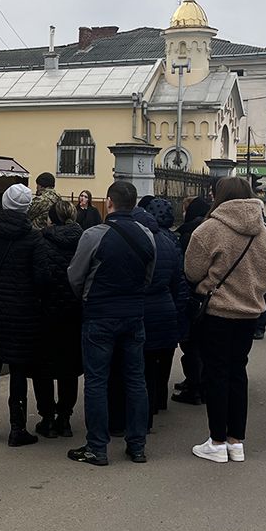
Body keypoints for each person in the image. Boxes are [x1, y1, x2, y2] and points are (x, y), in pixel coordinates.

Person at [184, 178, 266, 463]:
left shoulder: (210, 229)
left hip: (218, 312)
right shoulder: (263, 232)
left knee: (216, 374)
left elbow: (192, 271)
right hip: (249, 312)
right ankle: (237, 441)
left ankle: (217, 440)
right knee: (238, 373)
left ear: (218, 196)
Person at [66, 181, 155, 466]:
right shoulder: (146, 235)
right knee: (135, 380)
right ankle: (137, 445)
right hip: (134, 315)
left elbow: (75, 276)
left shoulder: (94, 235)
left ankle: (97, 447)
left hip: (100, 316)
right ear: (134, 203)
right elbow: (147, 277)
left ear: (110, 203)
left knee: (96, 381)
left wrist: (88, 297)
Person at [0, 183, 43, 447]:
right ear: (26, 208)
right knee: (17, 368)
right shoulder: (34, 237)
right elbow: (40, 276)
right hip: (22, 312)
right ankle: (17, 429)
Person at [32, 199, 84, 438]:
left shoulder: (42, 240)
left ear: (50, 218)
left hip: (46, 312)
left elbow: (39, 277)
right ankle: (65, 418)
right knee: (69, 369)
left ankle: (47, 418)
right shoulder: (83, 240)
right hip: (74, 313)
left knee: (43, 368)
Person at [138, 198, 190, 430]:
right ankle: (159, 399)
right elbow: (178, 279)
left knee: (144, 361)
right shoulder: (172, 241)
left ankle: (146, 408)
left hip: (145, 309)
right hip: (168, 307)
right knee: (163, 356)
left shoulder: (144, 239)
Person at [172, 196, 211, 403]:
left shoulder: (190, 234)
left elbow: (189, 269)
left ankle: (195, 387)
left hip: (193, 296)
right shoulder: (209, 230)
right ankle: (197, 383)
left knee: (191, 345)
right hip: (206, 297)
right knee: (201, 346)